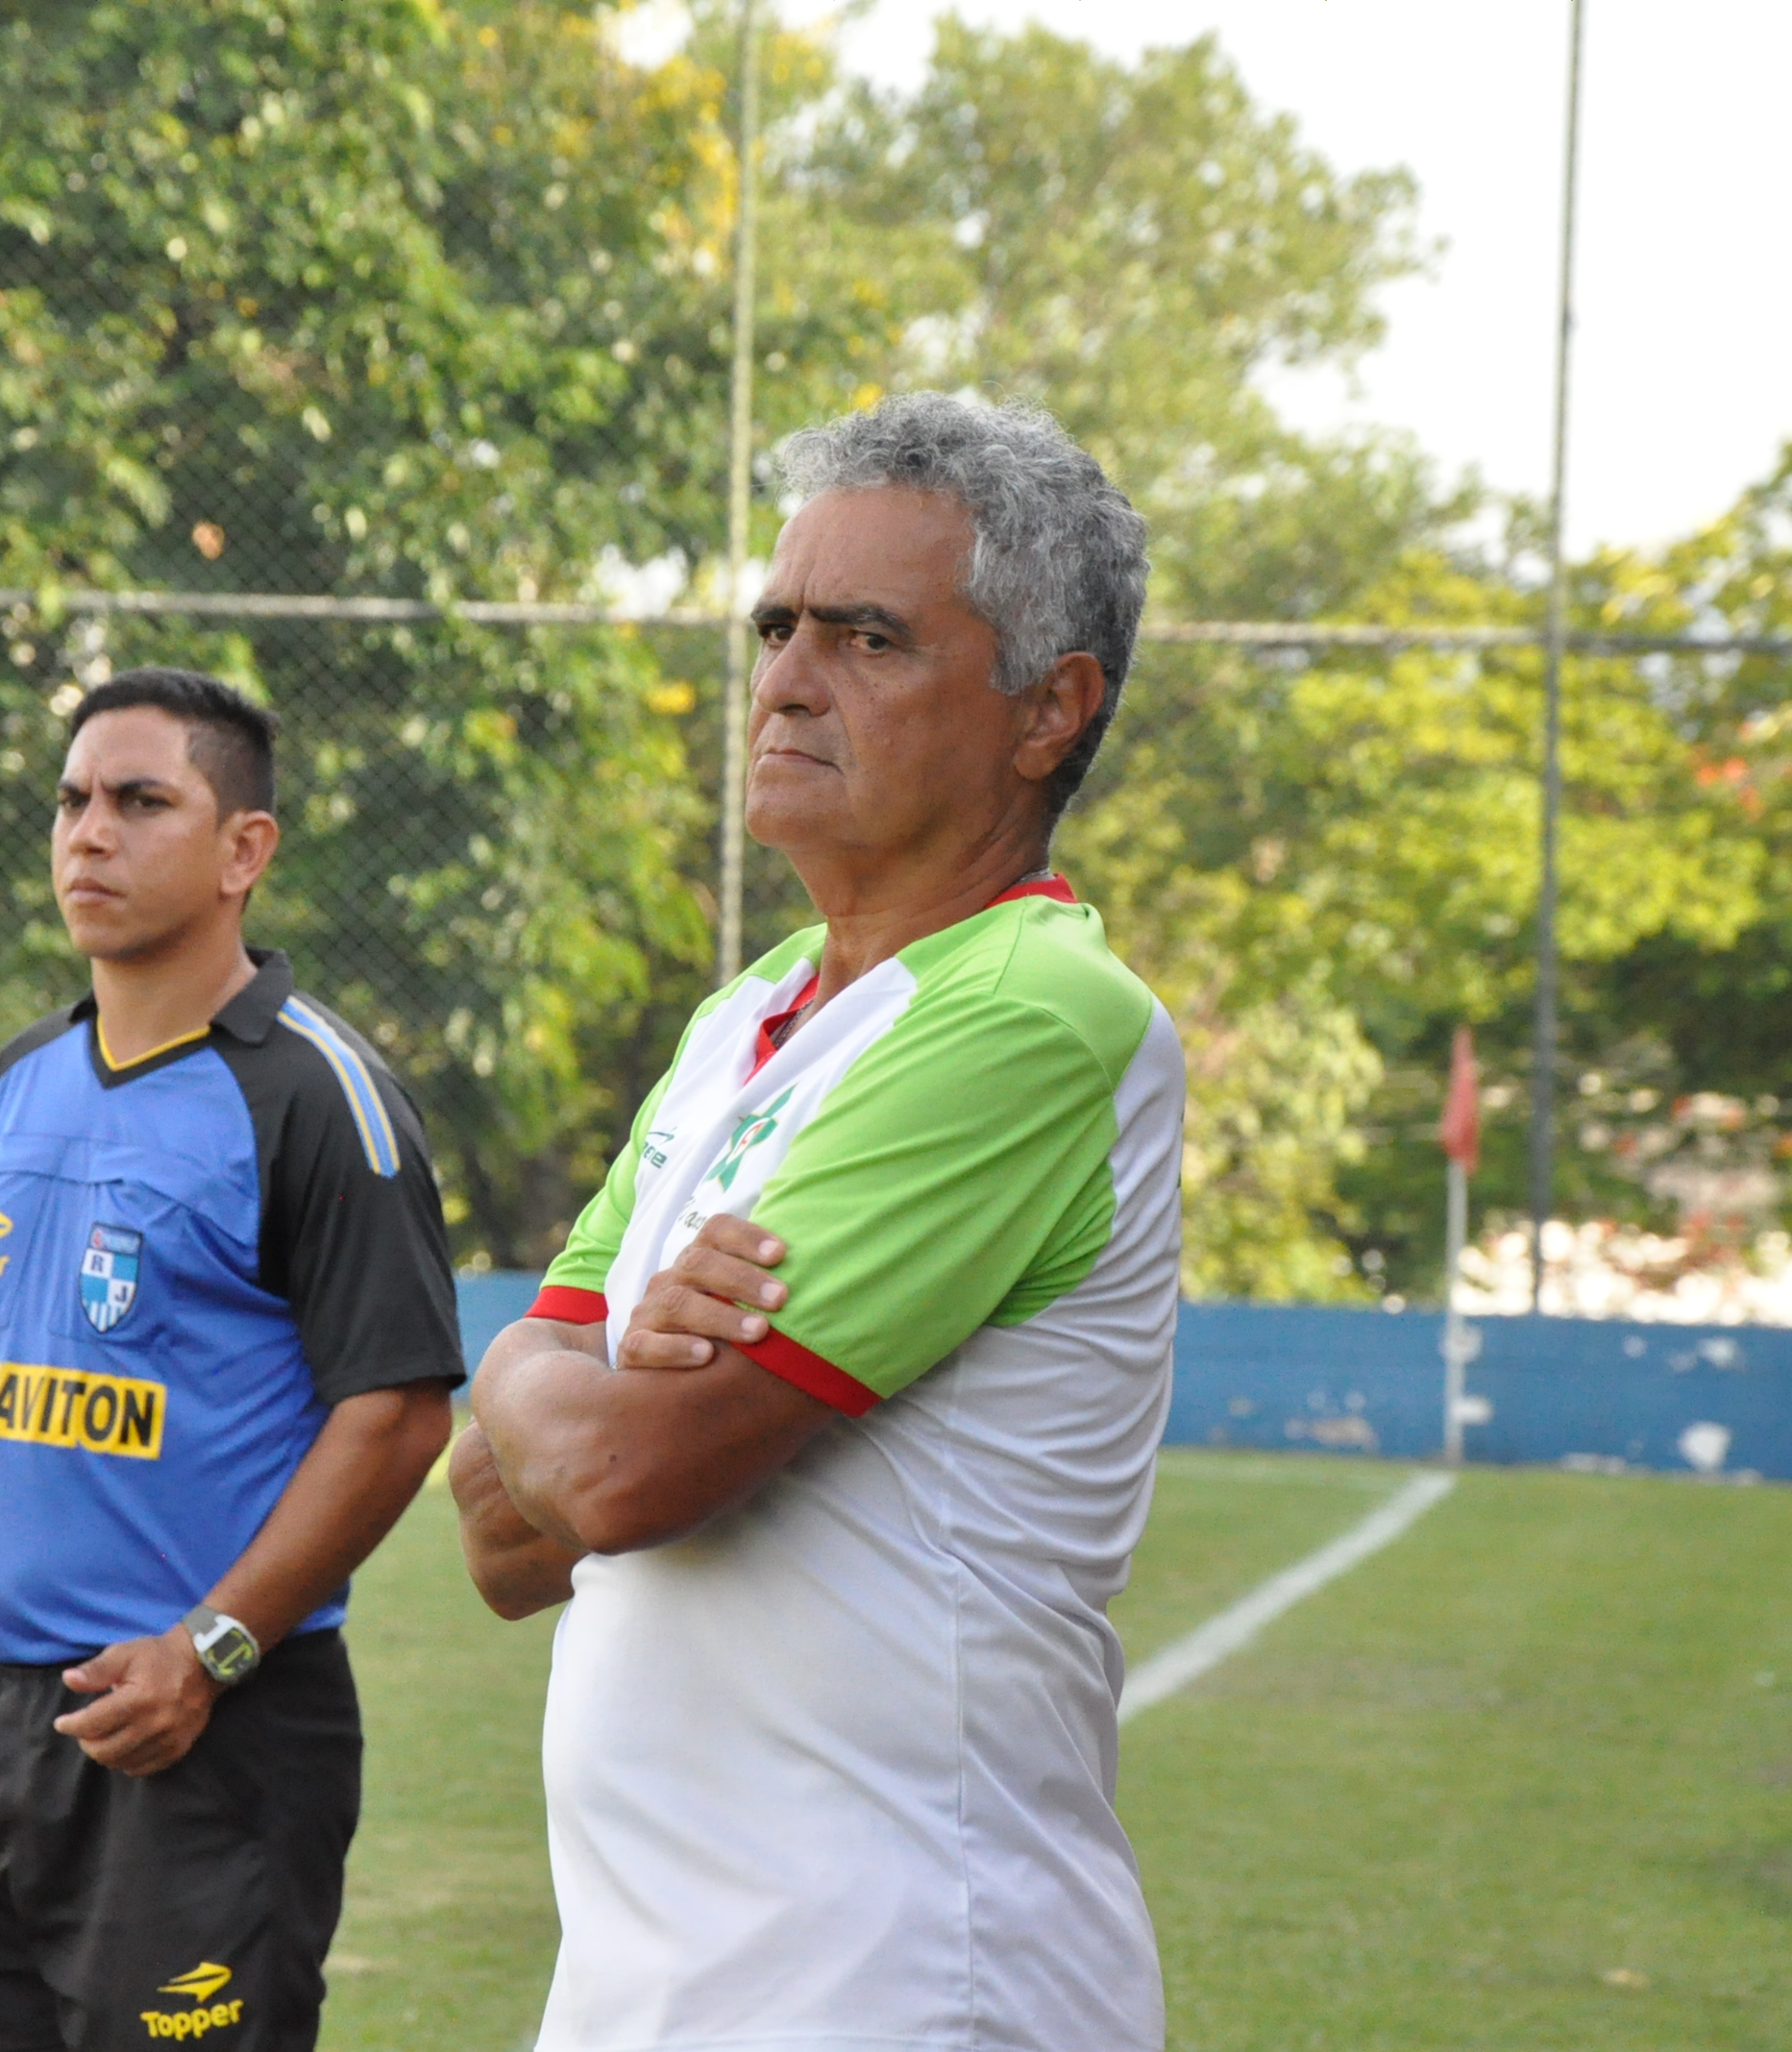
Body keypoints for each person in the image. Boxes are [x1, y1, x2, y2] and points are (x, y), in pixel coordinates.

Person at [452, 393, 1185, 2052]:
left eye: (868, 637)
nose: (787, 677)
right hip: (648, 1986)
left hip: (903, 1982)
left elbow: (624, 1477)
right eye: (778, 625)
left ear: (1047, 711)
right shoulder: (750, 1018)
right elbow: (504, 1538)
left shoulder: (1031, 1013)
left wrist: (550, 1379)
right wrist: (579, 1379)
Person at [0, 668, 462, 2052]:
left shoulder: (315, 1094)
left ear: (243, 850)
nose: (90, 833)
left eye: (143, 803)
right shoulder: (25, 1078)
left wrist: (211, 1652)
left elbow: (397, 1416)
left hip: (202, 1732)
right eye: (74, 800)